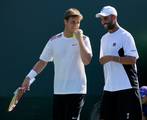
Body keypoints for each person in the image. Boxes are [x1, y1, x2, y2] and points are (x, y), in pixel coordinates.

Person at [20, 8, 92, 120]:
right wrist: (28, 77)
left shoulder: (84, 39)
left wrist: (79, 40)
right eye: (73, 22)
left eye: (78, 22)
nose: (76, 25)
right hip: (59, 91)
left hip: (77, 90)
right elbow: (42, 61)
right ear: (65, 22)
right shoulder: (54, 41)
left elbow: (87, 61)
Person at [95, 6, 142, 120]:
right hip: (109, 89)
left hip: (127, 88)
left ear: (114, 17)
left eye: (105, 18)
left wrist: (111, 58)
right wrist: (105, 59)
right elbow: (103, 59)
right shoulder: (103, 38)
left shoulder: (125, 35)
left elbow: (132, 59)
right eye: (101, 19)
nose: (103, 22)